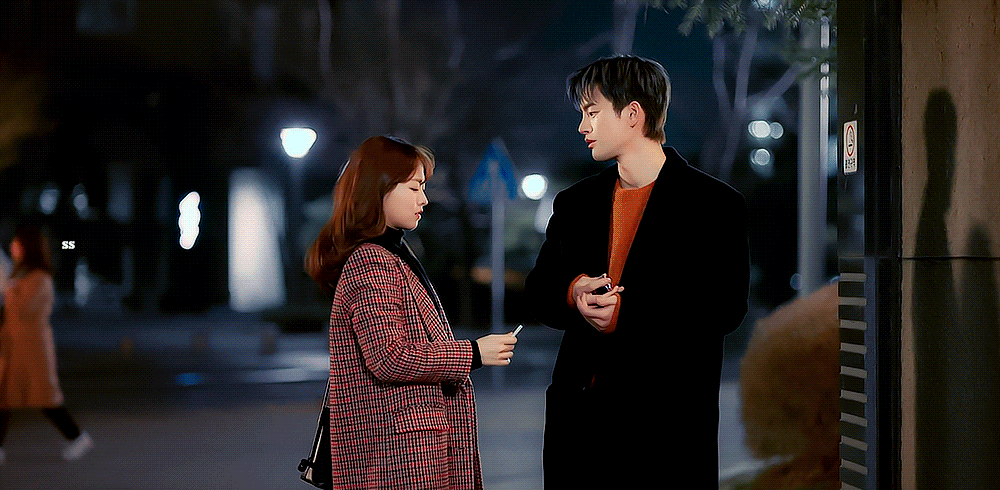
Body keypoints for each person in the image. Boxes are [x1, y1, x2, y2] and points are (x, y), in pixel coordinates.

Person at [524, 54, 749, 487]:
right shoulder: (576, 203)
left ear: (632, 115)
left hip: (665, 429)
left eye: (592, 112)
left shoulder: (714, 205)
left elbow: (724, 308)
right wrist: (574, 291)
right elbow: (537, 292)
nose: (582, 126)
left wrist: (627, 314)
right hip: (580, 425)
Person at [305, 135, 518, 489]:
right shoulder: (372, 260)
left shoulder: (392, 253)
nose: (424, 199)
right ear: (380, 190)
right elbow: (388, 356)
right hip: (399, 456)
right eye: (415, 187)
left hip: (408, 450)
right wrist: (474, 353)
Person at [0, 223, 94, 465]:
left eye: (17, 243)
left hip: (33, 350)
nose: (13, 247)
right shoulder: (20, 275)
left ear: (27, 247)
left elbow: (23, 310)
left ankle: (77, 437)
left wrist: (10, 291)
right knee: (6, 398)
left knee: (46, 400)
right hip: (16, 347)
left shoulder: (39, 278)